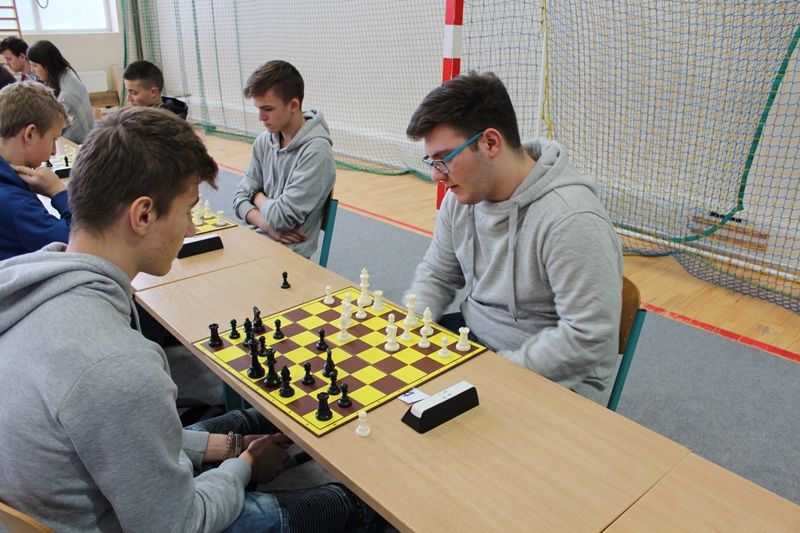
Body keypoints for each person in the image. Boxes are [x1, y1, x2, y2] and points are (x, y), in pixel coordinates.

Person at [0, 107, 384, 532]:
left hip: (77, 487)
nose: (190, 229)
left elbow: (122, 431)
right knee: (351, 504)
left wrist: (230, 447)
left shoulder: (28, 285)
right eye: (187, 210)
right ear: (143, 215)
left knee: (251, 421)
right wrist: (242, 468)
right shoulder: (117, 367)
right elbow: (180, 525)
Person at [405, 72, 623, 403]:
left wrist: (498, 374)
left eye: (444, 159)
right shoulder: (460, 198)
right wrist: (411, 326)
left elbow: (587, 338)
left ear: (491, 143)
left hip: (551, 375)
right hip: (474, 340)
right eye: (431, 161)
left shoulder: (571, 219)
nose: (437, 175)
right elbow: (437, 273)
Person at [232, 60, 335, 259]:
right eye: (258, 108)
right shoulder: (263, 142)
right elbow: (238, 199)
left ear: (293, 105)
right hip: (253, 241)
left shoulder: (317, 152)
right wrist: (266, 226)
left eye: (268, 109)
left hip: (287, 256)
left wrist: (256, 196)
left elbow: (281, 219)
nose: (261, 117)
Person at [0, 81, 69, 261]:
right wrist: (59, 192)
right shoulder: (16, 205)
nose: (54, 151)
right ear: (30, 134)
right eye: (53, 139)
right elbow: (81, 245)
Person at [27, 39, 94, 144]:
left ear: (47, 66)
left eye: (35, 66)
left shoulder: (65, 97)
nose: (32, 70)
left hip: (78, 145)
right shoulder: (67, 75)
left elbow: (52, 132)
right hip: (88, 138)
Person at [123, 59, 189, 119]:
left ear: (153, 92)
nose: (128, 99)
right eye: (128, 92)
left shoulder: (167, 123)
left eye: (133, 93)